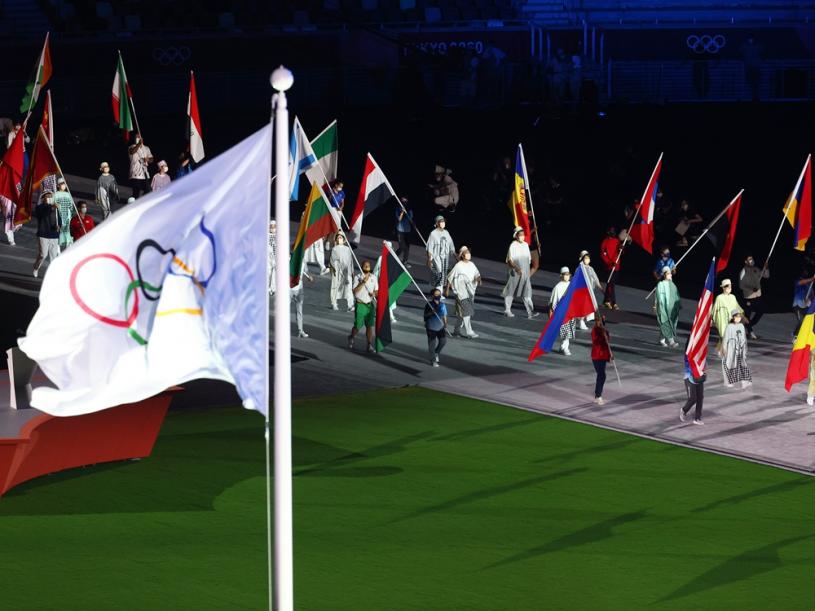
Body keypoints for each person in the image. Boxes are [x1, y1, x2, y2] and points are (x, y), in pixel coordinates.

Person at [502, 226, 538, 318]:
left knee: (526, 292)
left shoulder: (526, 245)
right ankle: (507, 310)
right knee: (511, 291)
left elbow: (528, 260)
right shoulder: (513, 245)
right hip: (514, 272)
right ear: (516, 236)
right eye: (520, 235)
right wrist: (517, 268)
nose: (522, 236)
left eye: (523, 235)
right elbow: (510, 260)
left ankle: (530, 312)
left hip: (525, 273)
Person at [446, 245, 481, 338]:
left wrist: (478, 279)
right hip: (461, 293)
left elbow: (477, 274)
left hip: (470, 292)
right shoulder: (458, 266)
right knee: (467, 312)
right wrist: (447, 289)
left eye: (469, 252)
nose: (468, 254)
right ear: (462, 255)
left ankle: (456, 331)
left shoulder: (472, 264)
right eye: (466, 253)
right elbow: (450, 277)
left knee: (462, 314)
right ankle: (469, 332)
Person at [348, 260, 377, 353]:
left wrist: (374, 293)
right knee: (358, 325)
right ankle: (351, 336)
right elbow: (354, 291)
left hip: (369, 305)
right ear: (362, 266)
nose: (367, 267)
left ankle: (369, 345)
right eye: (365, 266)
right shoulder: (357, 277)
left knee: (370, 326)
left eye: (368, 266)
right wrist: (362, 283)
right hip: (360, 304)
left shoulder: (374, 278)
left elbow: (377, 291)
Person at [739, 255, 769, 339]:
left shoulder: (756, 269)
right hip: (748, 297)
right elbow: (741, 285)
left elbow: (766, 276)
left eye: (752, 259)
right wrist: (751, 288)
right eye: (749, 259)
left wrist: (766, 268)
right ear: (746, 261)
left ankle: (749, 326)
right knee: (747, 315)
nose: (751, 260)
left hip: (758, 297)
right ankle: (750, 332)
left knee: (761, 310)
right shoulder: (743, 271)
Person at [721, 309, 752, 389]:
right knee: (729, 364)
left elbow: (744, 338)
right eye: (737, 316)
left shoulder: (741, 326)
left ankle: (745, 382)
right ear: (733, 317)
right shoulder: (729, 327)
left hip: (740, 348)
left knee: (742, 364)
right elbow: (726, 338)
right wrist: (724, 349)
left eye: (739, 316)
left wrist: (744, 349)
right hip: (731, 348)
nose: (739, 318)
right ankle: (727, 381)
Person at [33, 191, 60, 278]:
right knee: (43, 255)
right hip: (43, 234)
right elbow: (43, 214)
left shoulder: (56, 208)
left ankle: (52, 274)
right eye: (47, 196)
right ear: (43, 198)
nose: (49, 198)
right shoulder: (39, 207)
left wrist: (59, 226)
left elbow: (59, 219)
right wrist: (52, 208)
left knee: (53, 257)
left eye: (50, 196)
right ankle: (36, 268)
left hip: (54, 235)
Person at [549, 266, 576, 355]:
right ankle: (564, 348)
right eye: (565, 274)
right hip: (561, 313)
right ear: (561, 276)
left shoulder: (572, 285)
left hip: (570, 312)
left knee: (569, 332)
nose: (566, 276)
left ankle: (563, 347)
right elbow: (552, 302)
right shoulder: (557, 287)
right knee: (566, 331)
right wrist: (551, 314)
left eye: (568, 274)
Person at [426, 215, 455, 291]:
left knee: (443, 274)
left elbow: (451, 244)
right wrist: (429, 259)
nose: (443, 223)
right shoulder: (433, 233)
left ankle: (438, 292)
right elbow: (430, 247)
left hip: (445, 257)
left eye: (444, 221)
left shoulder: (446, 232)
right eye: (441, 222)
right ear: (437, 223)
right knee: (439, 273)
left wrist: (455, 255)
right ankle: (438, 292)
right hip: (437, 257)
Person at [577, 250, 602, 330]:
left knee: (588, 307)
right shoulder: (580, 268)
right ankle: (581, 321)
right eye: (585, 258)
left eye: (588, 258)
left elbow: (595, 278)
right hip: (582, 292)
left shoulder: (591, 268)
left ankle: (582, 321)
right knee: (583, 307)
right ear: (582, 259)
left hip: (590, 292)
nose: (587, 260)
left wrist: (600, 287)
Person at [329, 233, 354, 311]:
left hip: (347, 271)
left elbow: (350, 261)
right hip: (337, 270)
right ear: (336, 240)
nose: (339, 239)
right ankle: (334, 303)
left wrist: (352, 271)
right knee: (335, 286)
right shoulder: (334, 249)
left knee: (348, 287)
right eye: (338, 238)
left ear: (344, 239)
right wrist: (334, 268)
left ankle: (350, 305)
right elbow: (332, 260)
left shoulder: (348, 249)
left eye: (341, 238)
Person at [655, 266, 680, 347]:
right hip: (663, 308)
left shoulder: (673, 285)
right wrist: (656, 306)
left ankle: (661, 340)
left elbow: (676, 296)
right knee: (666, 322)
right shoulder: (661, 284)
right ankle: (671, 341)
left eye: (670, 274)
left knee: (666, 323)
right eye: (669, 274)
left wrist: (677, 305)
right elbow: (658, 297)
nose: (671, 275)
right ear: (665, 274)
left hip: (671, 308)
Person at [591, 315, 612, 405]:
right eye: (598, 320)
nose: (599, 322)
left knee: (601, 375)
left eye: (601, 320)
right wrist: (602, 336)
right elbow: (595, 341)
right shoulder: (594, 330)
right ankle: (598, 396)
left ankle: (597, 395)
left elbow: (607, 344)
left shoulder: (605, 331)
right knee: (601, 375)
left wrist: (610, 355)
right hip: (596, 356)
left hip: (603, 356)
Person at [424, 287, 448, 367]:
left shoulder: (442, 304)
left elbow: (444, 315)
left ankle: (436, 352)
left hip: (440, 326)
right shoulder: (429, 305)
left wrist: (445, 323)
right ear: (432, 296)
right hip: (431, 327)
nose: (438, 295)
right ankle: (433, 360)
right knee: (432, 344)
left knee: (443, 341)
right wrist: (431, 312)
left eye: (439, 294)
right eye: (436, 294)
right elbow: (425, 316)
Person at [679, 356, 706, 425]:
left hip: (699, 377)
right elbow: (688, 365)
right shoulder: (689, 353)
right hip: (690, 378)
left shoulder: (699, 353)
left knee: (700, 398)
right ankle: (684, 410)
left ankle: (697, 418)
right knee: (693, 398)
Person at [600, 226, 622, 309]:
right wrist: (609, 263)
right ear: (608, 232)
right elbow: (603, 255)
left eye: (614, 231)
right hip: (609, 267)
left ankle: (606, 301)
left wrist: (622, 249)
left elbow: (620, 252)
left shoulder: (617, 241)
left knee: (611, 283)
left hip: (616, 266)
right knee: (611, 284)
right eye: (611, 231)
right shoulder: (605, 242)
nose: (613, 232)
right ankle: (614, 302)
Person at [291, 262, 312, 339]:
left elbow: (306, 271)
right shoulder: (288, 259)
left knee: (299, 311)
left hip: (299, 289)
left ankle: (300, 331)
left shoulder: (302, 260)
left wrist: (309, 276)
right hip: (288, 288)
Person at [128, 133, 153, 198]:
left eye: (139, 137)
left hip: (145, 173)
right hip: (135, 173)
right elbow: (132, 152)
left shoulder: (146, 148)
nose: (138, 138)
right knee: (136, 192)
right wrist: (139, 144)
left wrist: (148, 159)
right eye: (136, 137)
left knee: (148, 190)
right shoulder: (132, 147)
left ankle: (141, 201)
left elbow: (151, 159)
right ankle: (132, 204)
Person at [793, 271, 815, 338]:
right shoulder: (798, 282)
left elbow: (812, 296)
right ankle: (795, 336)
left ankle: (801, 336)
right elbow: (802, 282)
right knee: (801, 321)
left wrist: (810, 300)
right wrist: (812, 279)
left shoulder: (809, 286)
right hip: (797, 305)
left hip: (805, 307)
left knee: (806, 321)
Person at [54, 177, 74, 250]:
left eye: (64, 184)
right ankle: (58, 249)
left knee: (67, 232)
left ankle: (68, 247)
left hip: (67, 216)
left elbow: (71, 206)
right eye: (62, 184)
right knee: (59, 232)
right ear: (58, 185)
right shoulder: (56, 194)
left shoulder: (68, 194)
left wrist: (71, 214)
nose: (63, 185)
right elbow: (54, 204)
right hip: (60, 216)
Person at [395, 198, 413, 267]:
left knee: (407, 247)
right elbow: (399, 219)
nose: (404, 203)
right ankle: (394, 257)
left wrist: (407, 212)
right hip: (400, 230)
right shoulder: (397, 210)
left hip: (407, 230)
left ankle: (405, 262)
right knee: (402, 247)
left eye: (405, 202)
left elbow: (410, 219)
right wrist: (402, 212)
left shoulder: (409, 210)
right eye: (403, 202)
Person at [268, 220, 276, 296]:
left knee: (274, 274)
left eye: (274, 227)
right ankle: (267, 288)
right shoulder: (266, 236)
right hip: (268, 259)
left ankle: (272, 288)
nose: (272, 228)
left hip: (276, 258)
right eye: (271, 226)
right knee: (268, 273)